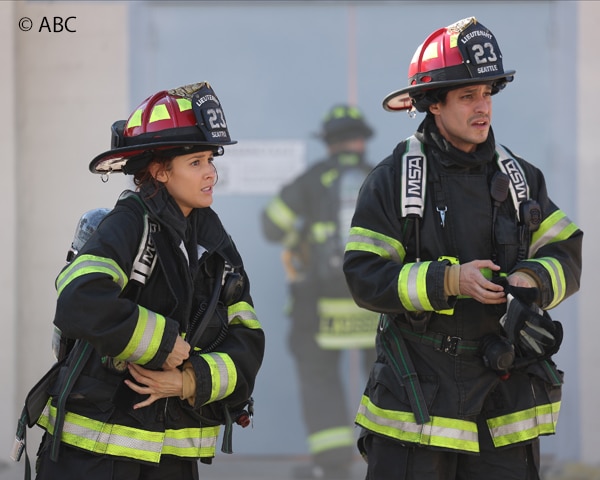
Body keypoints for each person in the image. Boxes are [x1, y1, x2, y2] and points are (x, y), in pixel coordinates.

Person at [343, 17, 582, 480]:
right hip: (419, 398)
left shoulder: (522, 179)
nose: (483, 108)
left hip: (504, 397)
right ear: (434, 103)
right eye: (468, 95)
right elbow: (364, 276)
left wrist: (529, 279)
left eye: (488, 93)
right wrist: (449, 280)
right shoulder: (393, 180)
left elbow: (567, 251)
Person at [33, 82, 265, 480]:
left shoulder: (214, 243)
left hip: (170, 457)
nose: (211, 173)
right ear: (159, 171)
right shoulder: (129, 224)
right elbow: (78, 300)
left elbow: (247, 337)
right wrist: (161, 344)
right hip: (95, 457)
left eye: (211, 159)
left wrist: (189, 380)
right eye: (196, 163)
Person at [261, 105, 379, 479]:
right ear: (361, 140)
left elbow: (270, 226)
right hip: (374, 306)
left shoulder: (312, 179)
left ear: (328, 143)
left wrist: (300, 232)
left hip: (320, 308)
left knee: (319, 381)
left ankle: (332, 468)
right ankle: (390, 458)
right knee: (387, 382)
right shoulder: (382, 178)